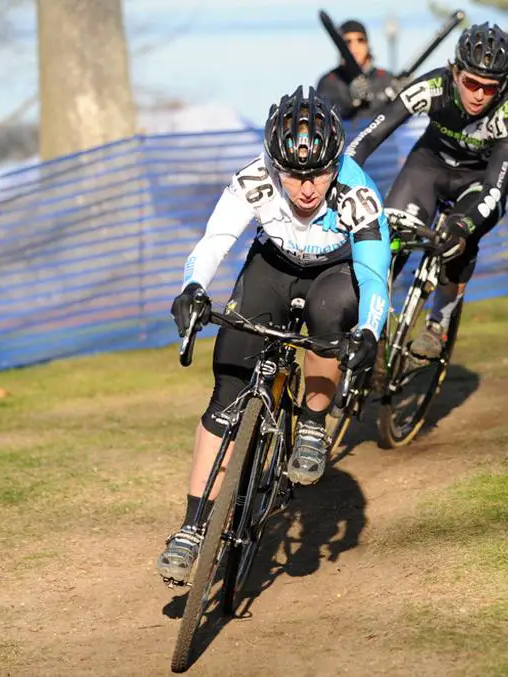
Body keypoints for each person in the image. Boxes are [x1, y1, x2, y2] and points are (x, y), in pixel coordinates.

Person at [156, 86, 392, 585]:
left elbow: (373, 276)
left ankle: (311, 423)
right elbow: (215, 240)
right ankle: (192, 526)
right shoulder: (255, 180)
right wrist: (192, 289)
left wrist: (369, 330)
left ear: (336, 163)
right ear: (273, 163)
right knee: (225, 395)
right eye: (294, 175)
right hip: (271, 268)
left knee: (333, 315)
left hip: (333, 273)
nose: (307, 189)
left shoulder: (359, 195)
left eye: (319, 174)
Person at [345, 22, 508, 359]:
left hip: (480, 181)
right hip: (428, 168)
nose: (478, 95)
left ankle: (437, 324)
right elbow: (372, 134)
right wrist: (343, 175)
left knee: (458, 245)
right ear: (454, 72)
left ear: (503, 87)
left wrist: (461, 227)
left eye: (490, 87)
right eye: (471, 82)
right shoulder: (432, 85)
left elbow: (495, 185)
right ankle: (372, 320)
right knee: (387, 239)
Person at [316, 19, 399, 121]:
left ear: (368, 44)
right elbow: (323, 120)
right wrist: (352, 100)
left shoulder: (386, 78)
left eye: (360, 40)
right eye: (347, 41)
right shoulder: (328, 82)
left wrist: (405, 94)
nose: (354, 46)